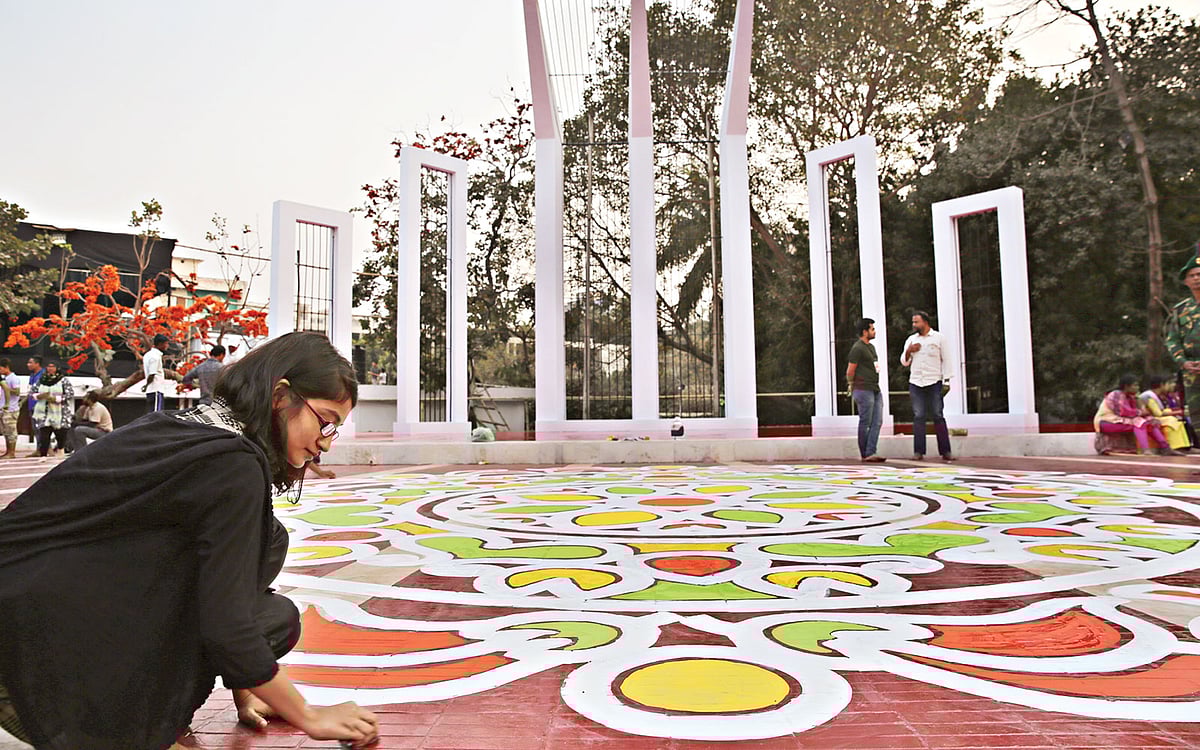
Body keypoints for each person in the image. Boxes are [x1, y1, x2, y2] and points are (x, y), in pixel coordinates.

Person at [0, 332, 379, 750]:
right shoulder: (232, 462)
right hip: (25, 651)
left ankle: (123, 716)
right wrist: (307, 715)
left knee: (271, 597)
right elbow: (226, 623)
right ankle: (106, 727)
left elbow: (233, 591)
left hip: (30, 608)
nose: (325, 442)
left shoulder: (188, 426)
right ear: (280, 397)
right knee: (256, 606)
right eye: (325, 421)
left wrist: (247, 683)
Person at [900, 311, 954, 462]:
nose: (914, 325)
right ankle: (918, 451)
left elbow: (947, 359)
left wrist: (947, 381)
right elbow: (904, 362)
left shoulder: (938, 338)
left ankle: (946, 451)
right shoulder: (911, 339)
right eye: (913, 322)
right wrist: (909, 350)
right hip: (916, 382)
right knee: (919, 416)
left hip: (934, 381)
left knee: (937, 414)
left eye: (916, 322)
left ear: (925, 322)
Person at [1094, 374, 1181, 456]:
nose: (1137, 388)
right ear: (1126, 386)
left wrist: (1139, 403)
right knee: (1140, 423)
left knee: (1151, 422)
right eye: (1135, 385)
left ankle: (1165, 447)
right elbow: (1124, 412)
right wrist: (1141, 412)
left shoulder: (1131, 397)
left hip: (1120, 421)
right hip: (1106, 421)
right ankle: (1145, 449)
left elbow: (1139, 412)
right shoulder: (1116, 394)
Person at [1166, 247, 1200, 421]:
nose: (1196, 278)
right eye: (1191, 276)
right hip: (1192, 373)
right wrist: (1183, 362)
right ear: (1186, 281)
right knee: (1196, 417)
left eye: (1199, 274)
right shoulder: (1181, 310)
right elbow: (1172, 340)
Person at [846, 317, 886, 463]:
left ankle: (871, 450)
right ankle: (865, 453)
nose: (874, 331)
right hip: (863, 389)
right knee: (866, 421)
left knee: (877, 421)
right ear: (865, 331)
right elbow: (850, 370)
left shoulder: (871, 347)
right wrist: (851, 385)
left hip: (874, 387)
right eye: (872, 329)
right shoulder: (857, 348)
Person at [30, 361, 73, 458]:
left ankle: (60, 450)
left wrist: (56, 399)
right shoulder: (41, 380)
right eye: (48, 366)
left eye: (52, 366)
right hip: (44, 412)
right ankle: (43, 455)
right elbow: (32, 393)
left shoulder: (63, 380)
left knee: (60, 433)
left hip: (60, 412)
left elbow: (70, 394)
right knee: (44, 433)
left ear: (57, 368)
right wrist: (40, 396)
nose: (50, 368)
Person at [1141, 374, 1191, 452]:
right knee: (1171, 420)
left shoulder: (1158, 395)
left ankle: (1184, 446)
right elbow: (1158, 413)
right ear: (1161, 385)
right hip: (1148, 418)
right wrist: (1178, 412)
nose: (1169, 386)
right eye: (1168, 384)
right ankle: (1174, 446)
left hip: (1155, 417)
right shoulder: (1148, 396)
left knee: (1179, 419)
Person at [17, 356, 43, 454]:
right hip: (31, 405)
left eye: (30, 362)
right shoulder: (32, 375)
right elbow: (30, 391)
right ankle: (38, 449)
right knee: (35, 428)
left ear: (37, 364)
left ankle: (43, 449)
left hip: (40, 406)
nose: (28, 365)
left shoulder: (43, 374)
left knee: (41, 428)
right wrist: (22, 403)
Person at [142, 333, 171, 413]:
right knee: (156, 414)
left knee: (153, 413)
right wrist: (146, 385)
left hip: (152, 390)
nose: (167, 346)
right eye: (166, 344)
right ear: (160, 344)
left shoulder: (148, 355)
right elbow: (152, 374)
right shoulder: (154, 356)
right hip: (156, 389)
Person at [0, 359, 19, 460]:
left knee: (11, 431)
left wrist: (6, 388)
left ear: (6, 367)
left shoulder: (13, 378)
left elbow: (17, 392)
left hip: (11, 409)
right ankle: (8, 451)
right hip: (3, 408)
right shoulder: (5, 378)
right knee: (6, 431)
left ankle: (12, 452)